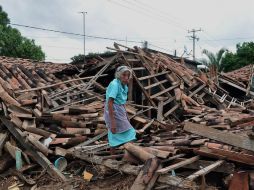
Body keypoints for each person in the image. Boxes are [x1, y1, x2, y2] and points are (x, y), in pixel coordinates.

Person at [104, 66, 136, 152]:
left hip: (120, 110)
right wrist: (112, 122)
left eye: (128, 75)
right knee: (131, 133)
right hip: (113, 110)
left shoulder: (123, 85)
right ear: (118, 75)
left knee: (114, 134)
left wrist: (126, 115)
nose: (126, 78)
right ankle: (128, 154)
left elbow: (122, 102)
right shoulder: (115, 84)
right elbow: (110, 103)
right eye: (124, 75)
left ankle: (113, 156)